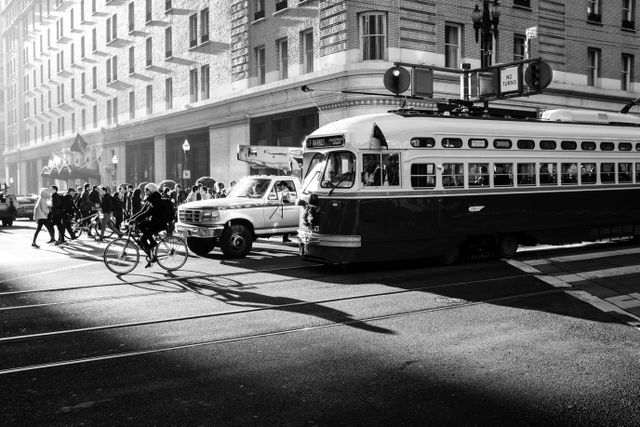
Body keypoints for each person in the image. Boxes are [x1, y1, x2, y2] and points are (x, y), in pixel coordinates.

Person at [130, 183, 172, 268]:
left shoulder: (156, 199)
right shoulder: (149, 199)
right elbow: (142, 211)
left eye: (147, 189)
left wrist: (136, 220)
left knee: (142, 225)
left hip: (160, 223)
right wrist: (131, 218)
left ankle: (153, 243)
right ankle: (151, 257)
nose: (145, 191)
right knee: (142, 239)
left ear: (152, 190)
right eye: (145, 189)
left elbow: (148, 212)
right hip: (154, 222)